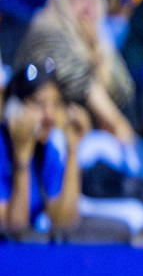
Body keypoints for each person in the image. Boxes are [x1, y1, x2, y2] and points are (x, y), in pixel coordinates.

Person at [15, 0, 137, 146]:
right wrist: (118, 123)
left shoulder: (100, 38)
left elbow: (125, 90)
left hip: (84, 136)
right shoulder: (46, 27)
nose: (88, 7)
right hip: (44, 134)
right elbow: (76, 80)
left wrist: (99, 52)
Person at [2, 62, 86, 237]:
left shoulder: (47, 150)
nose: (50, 116)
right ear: (13, 109)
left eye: (55, 105)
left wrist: (72, 151)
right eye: (40, 104)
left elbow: (65, 223)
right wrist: (22, 162)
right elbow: (13, 230)